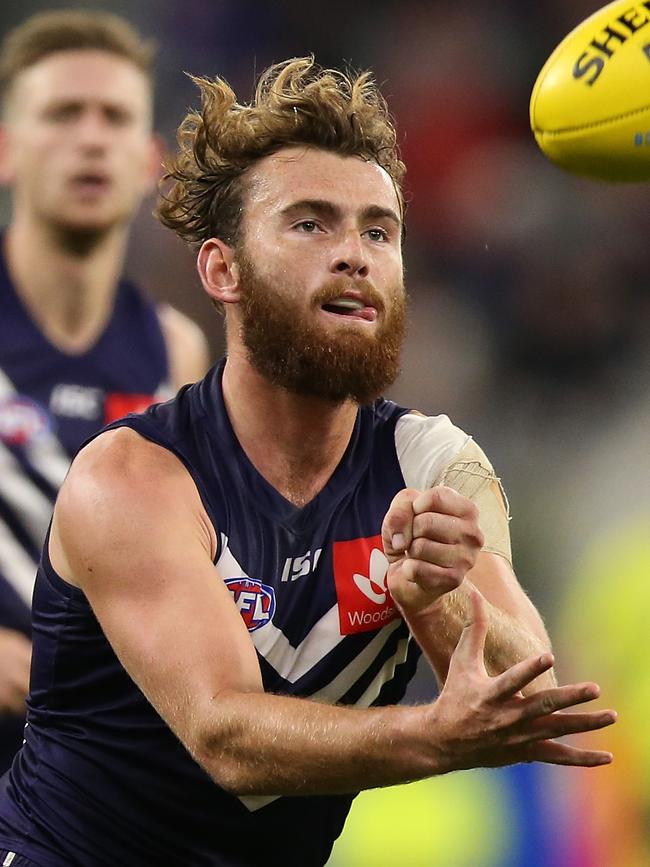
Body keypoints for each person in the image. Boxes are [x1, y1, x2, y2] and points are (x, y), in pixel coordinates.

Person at [0, 57, 615, 867]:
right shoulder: (130, 475)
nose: (354, 253)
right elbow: (226, 737)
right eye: (310, 223)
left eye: (378, 230)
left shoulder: (433, 463)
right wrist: (429, 732)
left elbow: (533, 696)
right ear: (222, 270)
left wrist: (438, 600)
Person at [0, 10, 210, 773]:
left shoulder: (176, 351)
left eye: (114, 117)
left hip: (93, 779)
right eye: (62, 113)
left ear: (150, 160)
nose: (91, 137)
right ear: (6, 149)